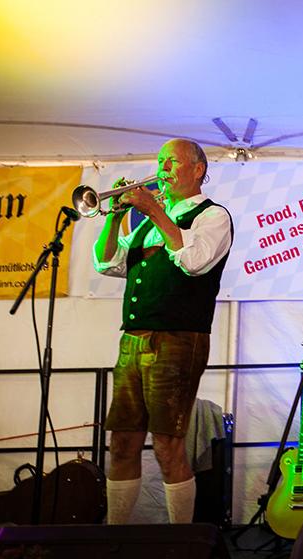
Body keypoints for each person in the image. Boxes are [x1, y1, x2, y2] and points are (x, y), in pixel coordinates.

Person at [93, 138, 233, 524]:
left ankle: (179, 542)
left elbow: (195, 261)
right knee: (122, 442)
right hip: (133, 339)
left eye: (170, 162)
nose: (162, 170)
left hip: (177, 339)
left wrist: (154, 210)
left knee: (169, 445)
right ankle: (115, 537)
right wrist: (112, 216)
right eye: (160, 162)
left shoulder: (212, 216)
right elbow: (106, 263)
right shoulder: (146, 224)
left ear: (197, 169)